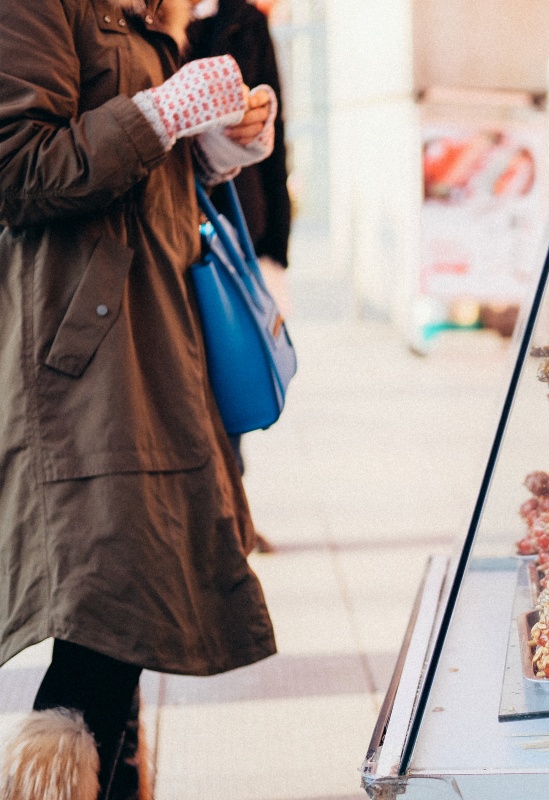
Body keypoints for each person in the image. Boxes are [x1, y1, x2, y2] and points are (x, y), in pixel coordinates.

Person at [0, 1, 279, 798]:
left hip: (152, 341)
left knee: (127, 620)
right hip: (80, 367)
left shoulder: (146, 8)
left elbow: (141, 168)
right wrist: (161, 112)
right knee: (102, 618)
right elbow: (19, 170)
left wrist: (218, 146)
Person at [187, 0, 293, 553]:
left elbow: (274, 135)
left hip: (230, 216)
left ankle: (233, 514)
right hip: (169, 224)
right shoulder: (147, 22)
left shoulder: (243, 21)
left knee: (229, 366)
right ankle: (226, 516)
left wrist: (275, 238)